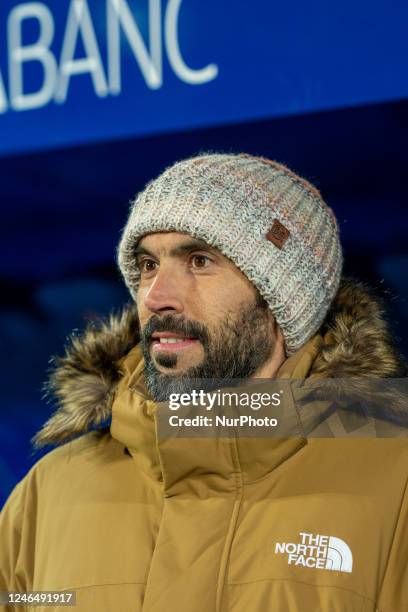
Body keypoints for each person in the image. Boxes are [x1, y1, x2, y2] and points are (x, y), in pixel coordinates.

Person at [0, 153, 407, 612]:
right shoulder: (47, 495)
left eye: (198, 260)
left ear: (284, 301)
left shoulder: (396, 487)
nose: (156, 297)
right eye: (148, 265)